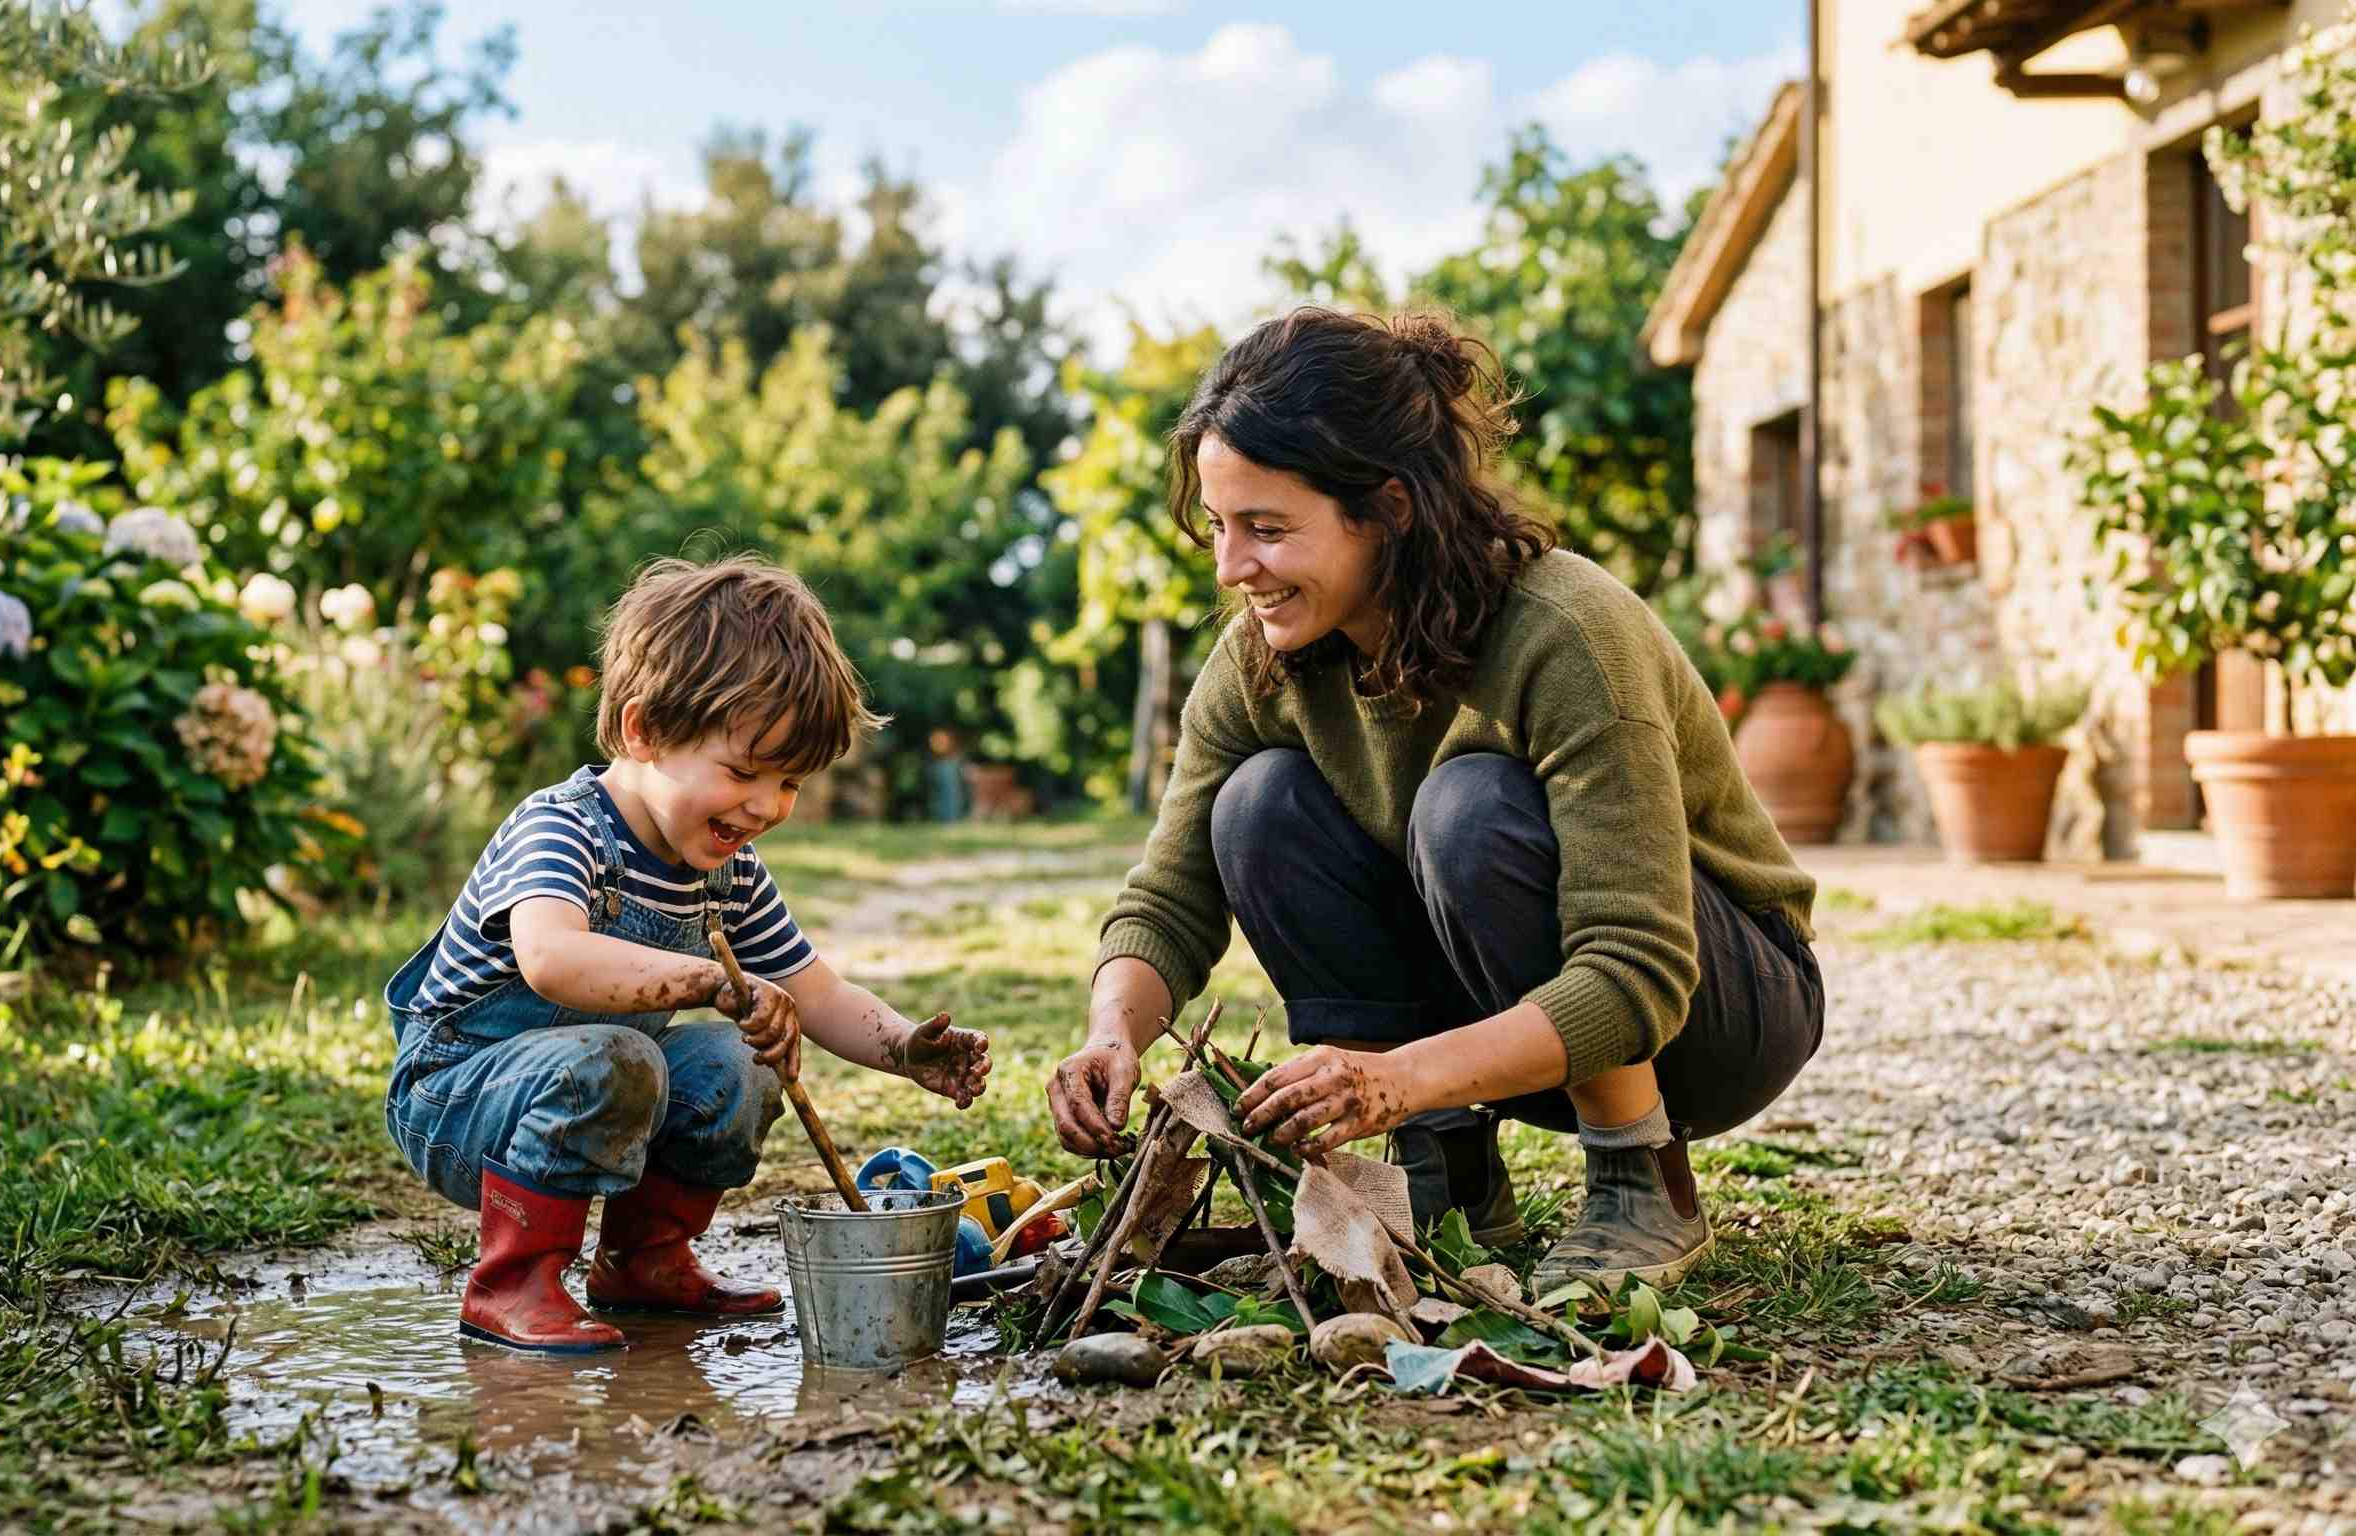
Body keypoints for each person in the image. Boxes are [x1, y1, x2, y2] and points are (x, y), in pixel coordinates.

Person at [1043, 308, 1825, 1296]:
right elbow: (1167, 897)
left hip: (1716, 1015)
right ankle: (1438, 1179)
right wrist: (1110, 1032)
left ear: (1390, 508)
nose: (1229, 568)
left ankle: (1640, 1178)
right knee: (1252, 804)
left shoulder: (1565, 632)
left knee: (1469, 811)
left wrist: (1393, 1077)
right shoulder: (1260, 659)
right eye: (1218, 526)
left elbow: (1638, 968)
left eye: (1266, 529)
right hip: (1503, 1020)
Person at [387, 554, 994, 1354]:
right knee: (616, 1057)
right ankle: (512, 1285)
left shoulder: (729, 873)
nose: (765, 806)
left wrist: (905, 1046)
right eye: (743, 771)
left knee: (738, 1064)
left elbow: (814, 992)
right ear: (643, 731)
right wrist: (711, 980)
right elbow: (552, 959)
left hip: (596, 1088)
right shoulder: (563, 829)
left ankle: (643, 1261)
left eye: (789, 783)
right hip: (461, 1101)